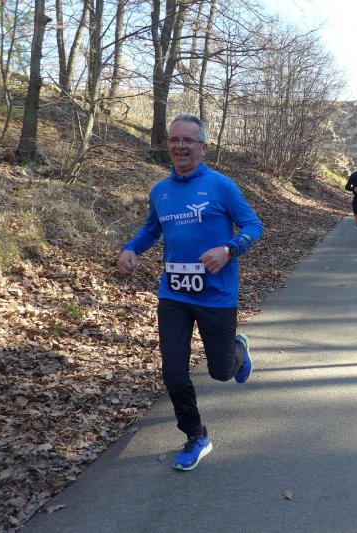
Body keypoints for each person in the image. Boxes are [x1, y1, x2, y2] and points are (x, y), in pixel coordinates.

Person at [117, 113, 263, 472]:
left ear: (203, 147)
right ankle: (196, 435)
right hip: (174, 294)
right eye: (174, 139)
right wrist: (131, 248)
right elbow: (152, 229)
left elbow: (253, 225)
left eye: (188, 140)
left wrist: (229, 249)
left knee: (221, 372)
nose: (180, 146)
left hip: (216, 294)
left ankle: (237, 349)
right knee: (173, 371)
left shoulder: (221, 186)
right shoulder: (160, 191)